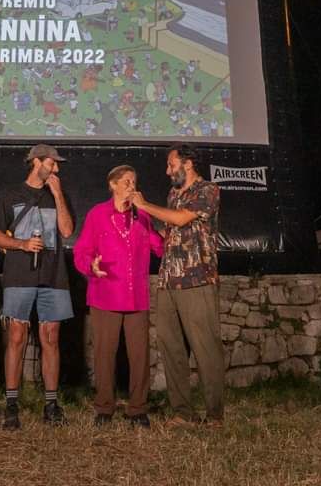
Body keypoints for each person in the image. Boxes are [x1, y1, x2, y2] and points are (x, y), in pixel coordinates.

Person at [131, 143, 224, 426]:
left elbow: (183, 220)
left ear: (188, 164)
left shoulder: (207, 190)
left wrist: (145, 204)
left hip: (197, 279)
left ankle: (214, 414)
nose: (167, 170)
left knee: (205, 347)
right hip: (169, 280)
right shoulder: (173, 194)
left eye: (171, 164)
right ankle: (183, 412)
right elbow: (170, 230)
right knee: (171, 347)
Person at [0, 144, 75, 429]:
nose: (57, 168)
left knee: (50, 336)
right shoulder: (9, 195)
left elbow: (66, 231)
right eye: (53, 163)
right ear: (37, 162)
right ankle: (11, 404)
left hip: (54, 277)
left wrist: (58, 194)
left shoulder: (58, 195)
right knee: (16, 335)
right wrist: (22, 244)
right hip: (19, 275)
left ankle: (51, 404)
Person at [73, 165, 163, 428]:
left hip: (136, 298)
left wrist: (150, 213)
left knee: (139, 356)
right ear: (112, 184)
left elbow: (160, 248)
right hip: (106, 294)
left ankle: (138, 409)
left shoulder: (142, 217)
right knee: (104, 353)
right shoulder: (97, 214)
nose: (131, 186)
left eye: (134, 181)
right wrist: (92, 265)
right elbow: (81, 252)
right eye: (126, 181)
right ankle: (104, 407)